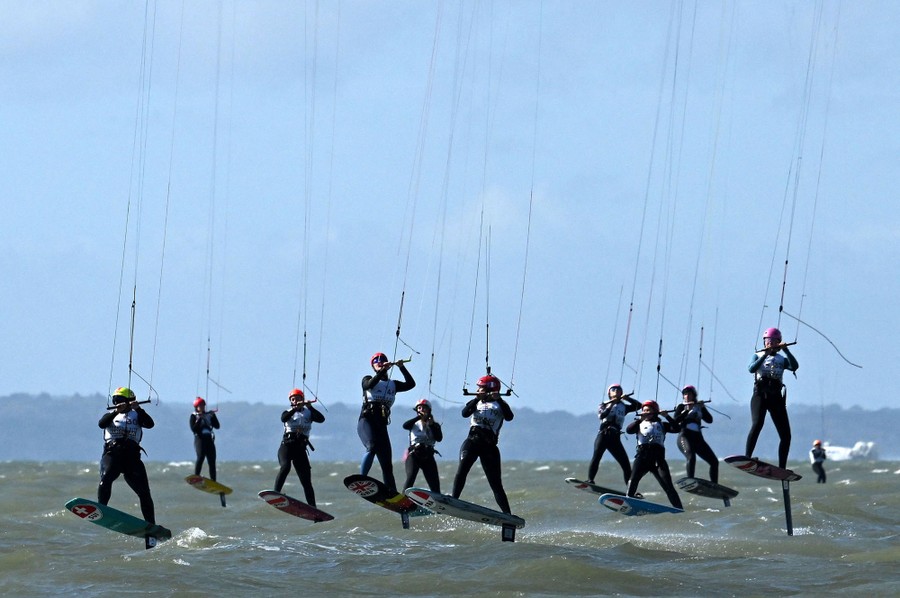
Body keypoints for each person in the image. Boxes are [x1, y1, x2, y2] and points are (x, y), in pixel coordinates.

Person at [451, 374, 515, 514]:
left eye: (481, 388)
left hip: (489, 446)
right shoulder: (476, 402)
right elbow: (464, 413)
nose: (478, 390)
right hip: (472, 441)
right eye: (478, 388)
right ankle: (453, 500)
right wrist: (476, 399)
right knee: (462, 469)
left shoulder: (499, 405)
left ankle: (507, 514)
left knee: (495, 484)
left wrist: (500, 399)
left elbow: (509, 417)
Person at [97, 387, 157, 533]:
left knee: (144, 493)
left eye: (121, 401)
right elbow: (101, 424)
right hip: (113, 455)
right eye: (116, 401)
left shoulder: (137, 415)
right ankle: (101, 509)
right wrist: (116, 411)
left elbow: (150, 424)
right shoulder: (111, 415)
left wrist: (139, 409)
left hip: (132, 457)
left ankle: (151, 526)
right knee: (106, 479)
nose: (118, 403)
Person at [357, 352, 415, 491]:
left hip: (381, 425)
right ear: (373, 366)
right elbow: (368, 385)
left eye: (382, 360)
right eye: (376, 361)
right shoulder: (368, 379)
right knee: (371, 447)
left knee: (387, 465)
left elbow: (410, 384)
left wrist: (401, 367)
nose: (380, 362)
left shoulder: (393, 384)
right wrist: (382, 370)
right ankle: (361, 480)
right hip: (367, 421)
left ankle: (393, 495)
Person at [745, 327, 799, 469]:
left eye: (773, 341)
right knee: (757, 424)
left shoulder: (782, 359)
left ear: (778, 343)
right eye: (767, 341)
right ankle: (747, 457)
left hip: (776, 398)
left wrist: (786, 350)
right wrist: (765, 355)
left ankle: (782, 467)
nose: (770, 343)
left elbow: (795, 366)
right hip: (760, 396)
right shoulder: (757, 355)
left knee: (786, 435)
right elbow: (751, 369)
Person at [625, 400, 683, 510]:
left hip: (658, 459)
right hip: (642, 457)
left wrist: (667, 416)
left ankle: (679, 509)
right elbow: (629, 430)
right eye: (644, 410)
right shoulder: (639, 424)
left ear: (655, 412)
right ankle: (628, 500)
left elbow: (677, 429)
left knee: (668, 486)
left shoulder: (662, 425)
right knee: (633, 479)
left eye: (648, 410)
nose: (646, 412)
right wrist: (639, 420)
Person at [274, 388, 325, 506]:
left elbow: (321, 419)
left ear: (302, 399)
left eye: (297, 398)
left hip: (300, 449)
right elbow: (283, 418)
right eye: (292, 399)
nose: (295, 400)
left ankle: (314, 508)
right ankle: (276, 493)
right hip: (287, 446)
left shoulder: (308, 413)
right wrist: (295, 409)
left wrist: (310, 407)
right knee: (285, 467)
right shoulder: (287, 412)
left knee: (306, 482)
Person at [586, 383, 641, 486]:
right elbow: (602, 415)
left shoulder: (624, 406)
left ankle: (630, 490)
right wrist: (611, 404)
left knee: (625, 465)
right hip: (603, 435)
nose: (616, 391)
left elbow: (639, 406)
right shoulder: (603, 404)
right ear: (609, 393)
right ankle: (590, 480)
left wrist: (628, 398)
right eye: (613, 389)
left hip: (615, 437)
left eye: (618, 389)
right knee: (596, 457)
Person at [673, 385, 719, 483]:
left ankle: (714, 484)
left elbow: (709, 420)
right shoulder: (681, 406)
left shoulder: (698, 406)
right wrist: (686, 411)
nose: (687, 396)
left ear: (694, 395)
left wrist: (703, 408)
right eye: (685, 394)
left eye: (689, 394)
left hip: (698, 438)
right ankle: (690, 480)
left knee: (714, 461)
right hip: (684, 436)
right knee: (691, 457)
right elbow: (676, 420)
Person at [401, 398, 443, 492]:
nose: (421, 410)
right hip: (414, 455)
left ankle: (438, 501)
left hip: (428, 455)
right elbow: (405, 426)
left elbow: (439, 438)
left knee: (434, 484)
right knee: (411, 476)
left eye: (424, 408)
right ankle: (403, 497)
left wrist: (431, 424)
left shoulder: (435, 425)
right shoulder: (413, 423)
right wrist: (418, 417)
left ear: (429, 410)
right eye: (419, 408)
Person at [189, 396, 220, 480]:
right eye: (200, 406)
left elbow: (217, 426)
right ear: (196, 407)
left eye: (203, 405)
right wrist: (199, 419)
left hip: (209, 439)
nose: (202, 407)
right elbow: (193, 429)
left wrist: (213, 416)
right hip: (200, 439)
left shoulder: (209, 415)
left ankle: (213, 480)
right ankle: (196, 476)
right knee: (201, 457)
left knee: (212, 460)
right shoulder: (194, 416)